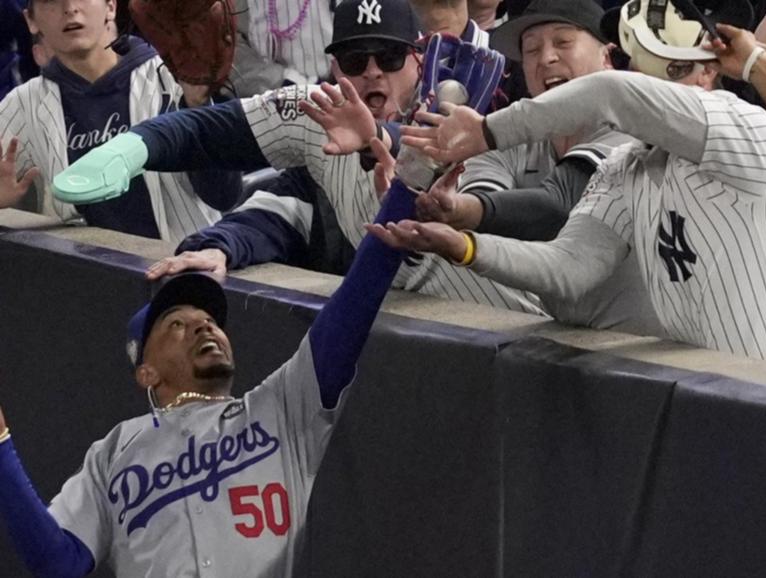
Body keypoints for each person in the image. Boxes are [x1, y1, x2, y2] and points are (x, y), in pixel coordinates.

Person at [0, 136, 428, 577]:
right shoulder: (114, 453)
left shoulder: (283, 407)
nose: (204, 326)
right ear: (146, 372)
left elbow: (352, 308)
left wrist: (413, 176)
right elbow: (57, 563)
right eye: (177, 326)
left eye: (210, 320)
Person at [55, 0, 544, 315]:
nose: (373, 73)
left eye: (389, 59)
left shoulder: (468, 118)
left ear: (418, 61)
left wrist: (388, 141)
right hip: (416, 338)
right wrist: (136, 147)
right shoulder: (321, 118)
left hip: (511, 323)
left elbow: (515, 214)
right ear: (335, 68)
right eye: (356, 61)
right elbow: (222, 144)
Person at [390, 0, 766, 359]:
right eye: (640, 64)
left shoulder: (741, 126)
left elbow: (612, 94)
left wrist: (487, 130)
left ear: (708, 71)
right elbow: (568, 265)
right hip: (708, 394)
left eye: (669, 67)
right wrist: (466, 247)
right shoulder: (628, 164)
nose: (645, 77)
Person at [0, 0, 241, 244]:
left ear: (111, 7)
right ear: (31, 20)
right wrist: (6, 205)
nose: (70, 8)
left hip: (184, 266)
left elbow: (224, 197)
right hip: (90, 273)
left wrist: (198, 105)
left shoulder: (173, 78)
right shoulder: (22, 105)